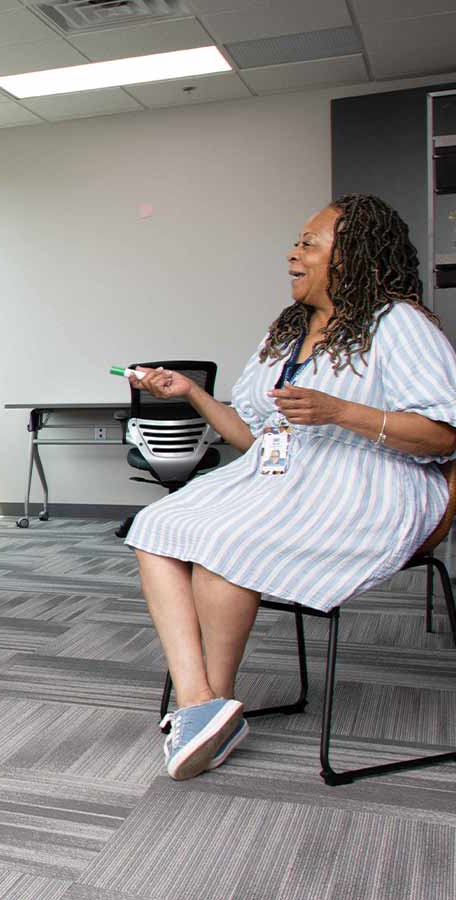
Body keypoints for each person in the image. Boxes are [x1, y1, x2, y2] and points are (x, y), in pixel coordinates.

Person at [127, 193, 456, 780]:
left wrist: (339, 411)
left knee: (226, 541)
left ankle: (207, 707)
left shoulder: (398, 324)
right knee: (158, 526)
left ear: (351, 255)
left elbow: (440, 437)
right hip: (283, 477)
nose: (292, 254)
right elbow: (256, 439)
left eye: (308, 243)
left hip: (372, 482)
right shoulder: (287, 330)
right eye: (296, 243)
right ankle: (202, 704)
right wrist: (193, 394)